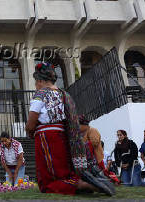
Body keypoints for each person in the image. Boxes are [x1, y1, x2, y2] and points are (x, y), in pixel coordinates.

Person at [25, 62, 105, 195]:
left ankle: (84, 185)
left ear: (39, 80)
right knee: (63, 169)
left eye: (36, 82)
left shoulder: (40, 94)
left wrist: (29, 132)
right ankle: (81, 185)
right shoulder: (64, 94)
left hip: (47, 137)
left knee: (49, 179)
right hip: (63, 136)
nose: (35, 85)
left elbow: (31, 123)